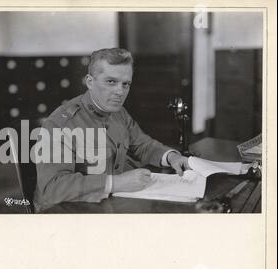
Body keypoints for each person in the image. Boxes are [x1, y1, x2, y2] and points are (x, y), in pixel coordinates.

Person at [33, 48, 189, 212]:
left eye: (125, 84)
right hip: (63, 214)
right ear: (90, 82)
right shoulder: (60, 123)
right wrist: (116, 183)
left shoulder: (118, 112)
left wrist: (172, 157)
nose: (120, 92)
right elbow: (52, 188)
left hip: (105, 206)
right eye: (111, 82)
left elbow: (142, 144)